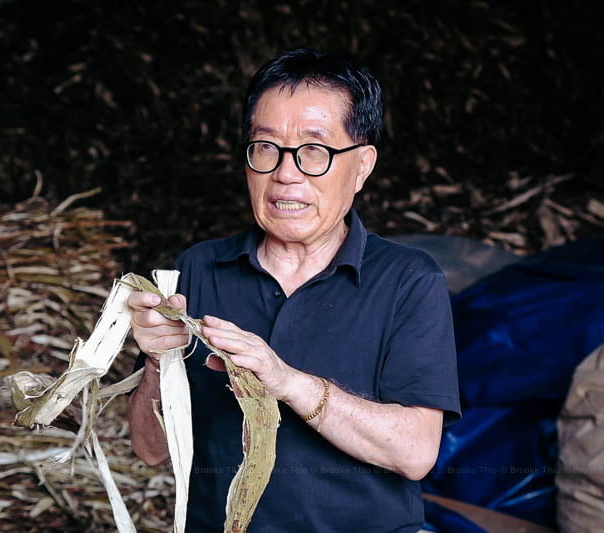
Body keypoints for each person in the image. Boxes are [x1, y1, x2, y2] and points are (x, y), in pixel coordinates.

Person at [126, 48, 461, 532]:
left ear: (362, 165)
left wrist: (286, 382)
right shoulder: (199, 269)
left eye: (314, 151)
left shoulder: (408, 280)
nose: (286, 173)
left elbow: (415, 453)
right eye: (266, 148)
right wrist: (158, 361)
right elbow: (149, 450)